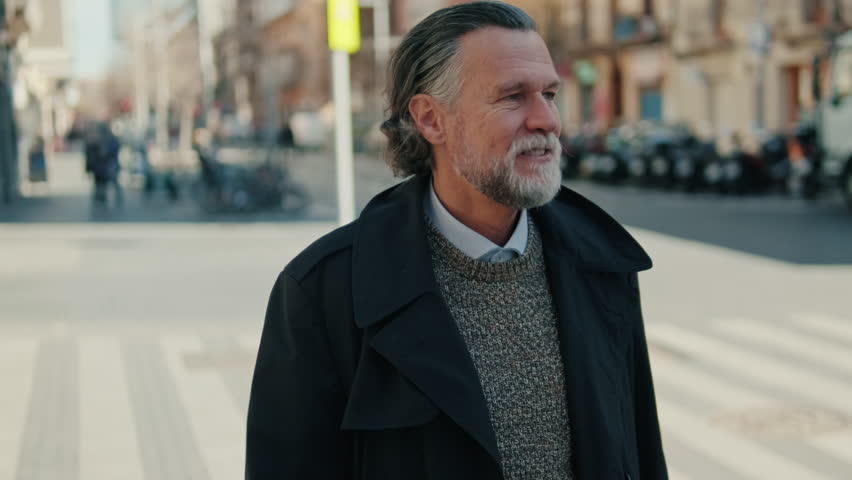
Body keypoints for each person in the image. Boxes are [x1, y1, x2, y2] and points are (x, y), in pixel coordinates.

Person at [246, 2, 667, 479]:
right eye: (512, 97)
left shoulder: (603, 264)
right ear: (430, 119)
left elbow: (641, 452)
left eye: (549, 93)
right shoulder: (323, 292)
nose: (546, 119)